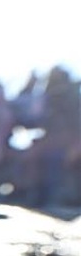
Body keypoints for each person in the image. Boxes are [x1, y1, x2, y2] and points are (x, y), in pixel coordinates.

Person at [31, 66, 81, 206]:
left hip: (61, 141)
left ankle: (52, 202)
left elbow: (74, 121)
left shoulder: (62, 96)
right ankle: (51, 202)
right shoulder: (64, 95)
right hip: (57, 141)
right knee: (54, 173)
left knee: (55, 174)